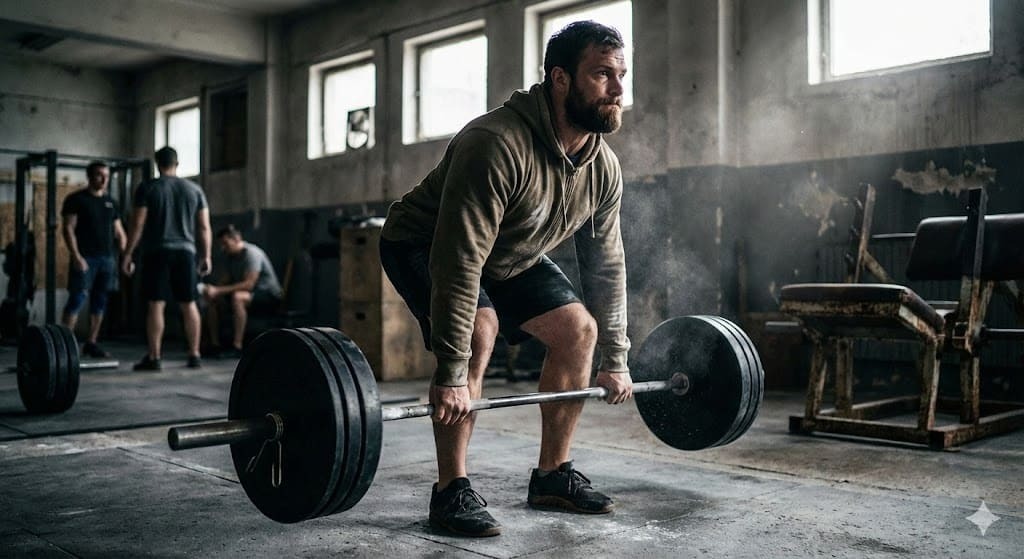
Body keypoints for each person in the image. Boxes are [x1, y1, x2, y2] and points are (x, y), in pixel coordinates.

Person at [379, 21, 632, 537]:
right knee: (479, 329)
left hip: (510, 253)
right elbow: (459, 260)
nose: (618, 89)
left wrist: (617, 356)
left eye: (622, 75)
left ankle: (552, 476)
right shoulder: (495, 144)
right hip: (424, 241)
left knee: (578, 331)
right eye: (603, 74)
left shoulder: (602, 168)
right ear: (560, 79)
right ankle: (451, 490)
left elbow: (605, 263)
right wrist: (452, 370)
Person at [122, 147, 212, 371]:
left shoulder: (148, 187)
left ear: (157, 163)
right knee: (189, 303)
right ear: (177, 163)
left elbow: (138, 223)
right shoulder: (194, 190)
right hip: (186, 252)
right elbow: (203, 227)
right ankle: (194, 354)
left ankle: (154, 357)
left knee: (156, 304)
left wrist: (128, 253)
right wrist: (206, 255)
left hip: (157, 252)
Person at [61, 160, 127, 357]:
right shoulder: (76, 199)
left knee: (100, 301)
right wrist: (76, 256)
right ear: (90, 176)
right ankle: (65, 344)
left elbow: (119, 232)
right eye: (100, 175)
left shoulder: (111, 203)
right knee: (77, 298)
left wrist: (126, 255)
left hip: (107, 260)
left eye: (107, 175)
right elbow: (68, 229)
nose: (104, 179)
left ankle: (91, 342)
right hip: (85, 258)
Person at [202, 225, 283, 358]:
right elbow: (225, 280)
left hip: (268, 295)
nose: (223, 248)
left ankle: (237, 346)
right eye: (221, 244)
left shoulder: (252, 253)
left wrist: (218, 290)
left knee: (238, 297)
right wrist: (212, 290)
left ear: (236, 239)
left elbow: (249, 285)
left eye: (225, 243)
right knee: (214, 300)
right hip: (249, 295)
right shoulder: (230, 257)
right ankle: (214, 345)